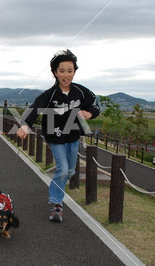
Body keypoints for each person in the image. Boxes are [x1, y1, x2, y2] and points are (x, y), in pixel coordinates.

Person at [16, 49, 100, 222]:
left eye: (70, 71)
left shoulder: (82, 92)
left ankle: (59, 190)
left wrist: (89, 113)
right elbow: (34, 109)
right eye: (62, 71)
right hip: (55, 137)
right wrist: (25, 125)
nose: (66, 75)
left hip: (74, 136)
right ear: (55, 72)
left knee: (69, 171)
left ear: (74, 72)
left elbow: (95, 106)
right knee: (62, 169)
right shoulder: (50, 95)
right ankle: (56, 205)